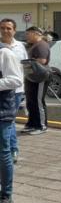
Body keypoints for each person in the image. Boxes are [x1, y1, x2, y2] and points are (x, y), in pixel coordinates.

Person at [0, 18, 27, 163]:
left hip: (17, 90)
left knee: (10, 122)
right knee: (8, 122)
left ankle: (13, 149)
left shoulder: (20, 46)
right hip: (3, 91)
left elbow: (24, 67)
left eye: (8, 28)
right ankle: (11, 149)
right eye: (3, 28)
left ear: (14, 30)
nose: (5, 31)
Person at [0, 43, 23, 203]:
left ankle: (6, 195)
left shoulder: (5, 53)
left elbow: (16, 80)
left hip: (2, 112)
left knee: (3, 153)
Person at [23, 26, 50, 135]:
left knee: (38, 102)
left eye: (28, 34)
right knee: (31, 101)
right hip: (31, 76)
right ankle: (32, 124)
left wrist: (28, 61)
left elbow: (42, 61)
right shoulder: (34, 45)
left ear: (35, 34)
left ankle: (41, 126)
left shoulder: (41, 45)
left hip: (40, 76)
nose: (27, 36)